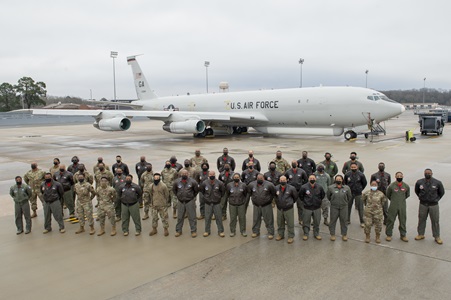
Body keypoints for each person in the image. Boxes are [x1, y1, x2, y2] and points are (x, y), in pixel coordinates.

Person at [414, 169, 445, 245]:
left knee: (435, 221)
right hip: (423, 204)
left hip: (433, 205)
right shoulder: (419, 182)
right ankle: (420, 234)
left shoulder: (437, 182)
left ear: (432, 174)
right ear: (424, 174)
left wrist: (436, 199)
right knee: (421, 219)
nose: (427, 174)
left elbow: (442, 192)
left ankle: (437, 236)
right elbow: (416, 191)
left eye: (429, 173)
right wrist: (421, 197)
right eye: (426, 173)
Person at [248, 174, 276, 239]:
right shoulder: (252, 185)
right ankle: (255, 231)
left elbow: (273, 194)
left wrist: (270, 201)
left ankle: (270, 232)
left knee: (268, 219)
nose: (259, 179)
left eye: (261, 178)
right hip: (256, 205)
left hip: (266, 205)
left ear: (263, 178)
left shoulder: (269, 185)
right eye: (258, 178)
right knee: (256, 219)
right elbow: (250, 193)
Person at [199, 171, 226, 237]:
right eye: (210, 174)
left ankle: (220, 231)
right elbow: (202, 191)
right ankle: (207, 231)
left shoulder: (220, 183)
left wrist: (218, 198)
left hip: (217, 203)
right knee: (207, 218)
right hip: (208, 203)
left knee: (218, 217)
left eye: (213, 174)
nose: (212, 175)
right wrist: (207, 198)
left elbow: (223, 192)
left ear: (215, 175)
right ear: (208, 175)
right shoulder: (204, 183)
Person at [173, 169, 199, 238]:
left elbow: (196, 190)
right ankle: (178, 231)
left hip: (190, 201)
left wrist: (192, 197)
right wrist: (179, 196)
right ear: (181, 174)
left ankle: (193, 231)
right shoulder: (177, 182)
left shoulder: (193, 182)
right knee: (180, 217)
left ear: (188, 174)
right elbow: (174, 190)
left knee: (192, 217)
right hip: (181, 201)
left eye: (186, 173)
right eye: (183, 174)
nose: (184, 175)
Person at [299, 175, 325, 240]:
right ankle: (306, 234)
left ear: (315, 179)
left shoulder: (319, 187)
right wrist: (306, 202)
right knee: (306, 222)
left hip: (317, 208)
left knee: (317, 221)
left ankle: (316, 234)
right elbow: (301, 196)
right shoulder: (304, 187)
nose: (312, 179)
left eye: (313, 178)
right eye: (311, 178)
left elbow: (322, 195)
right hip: (307, 207)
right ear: (308, 179)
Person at [385, 172, 410, 242]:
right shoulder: (391, 186)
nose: (399, 177)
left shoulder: (406, 186)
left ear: (403, 176)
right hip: (393, 205)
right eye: (398, 176)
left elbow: (407, 195)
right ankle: (389, 234)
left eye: (400, 176)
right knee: (390, 220)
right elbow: (388, 194)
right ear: (395, 176)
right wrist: (394, 200)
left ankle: (403, 235)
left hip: (402, 205)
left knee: (402, 220)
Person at [327, 175, 352, 241]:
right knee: (332, 221)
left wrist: (344, 202)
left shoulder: (346, 188)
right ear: (335, 180)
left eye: (340, 179)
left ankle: (344, 234)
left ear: (342, 180)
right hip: (334, 207)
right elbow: (328, 196)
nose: (338, 180)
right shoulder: (330, 188)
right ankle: (332, 234)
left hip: (344, 207)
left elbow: (349, 197)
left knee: (344, 221)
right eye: (337, 179)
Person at [275, 176, 297, 244]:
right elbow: (275, 197)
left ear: (287, 180)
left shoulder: (291, 188)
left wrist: (290, 203)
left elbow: (295, 197)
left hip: (288, 209)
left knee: (290, 223)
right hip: (279, 208)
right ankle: (280, 234)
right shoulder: (276, 188)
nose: (282, 181)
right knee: (280, 223)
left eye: (284, 180)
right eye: (281, 180)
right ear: (279, 180)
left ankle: (290, 236)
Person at [344, 162, 367, 227]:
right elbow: (345, 183)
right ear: (350, 168)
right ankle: (347, 220)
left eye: (354, 167)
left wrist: (360, 189)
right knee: (348, 207)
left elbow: (364, 183)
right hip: (350, 193)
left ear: (357, 167)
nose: (353, 168)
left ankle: (362, 221)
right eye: (352, 167)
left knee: (360, 208)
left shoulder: (361, 175)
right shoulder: (347, 174)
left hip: (358, 193)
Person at [285, 160, 308, 224]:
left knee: (300, 206)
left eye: (295, 163)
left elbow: (305, 180)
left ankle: (301, 219)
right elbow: (285, 180)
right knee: (289, 206)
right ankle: (288, 220)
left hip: (299, 191)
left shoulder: (302, 171)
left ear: (297, 164)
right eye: (292, 163)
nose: (294, 164)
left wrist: (302, 187)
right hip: (290, 192)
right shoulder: (288, 172)